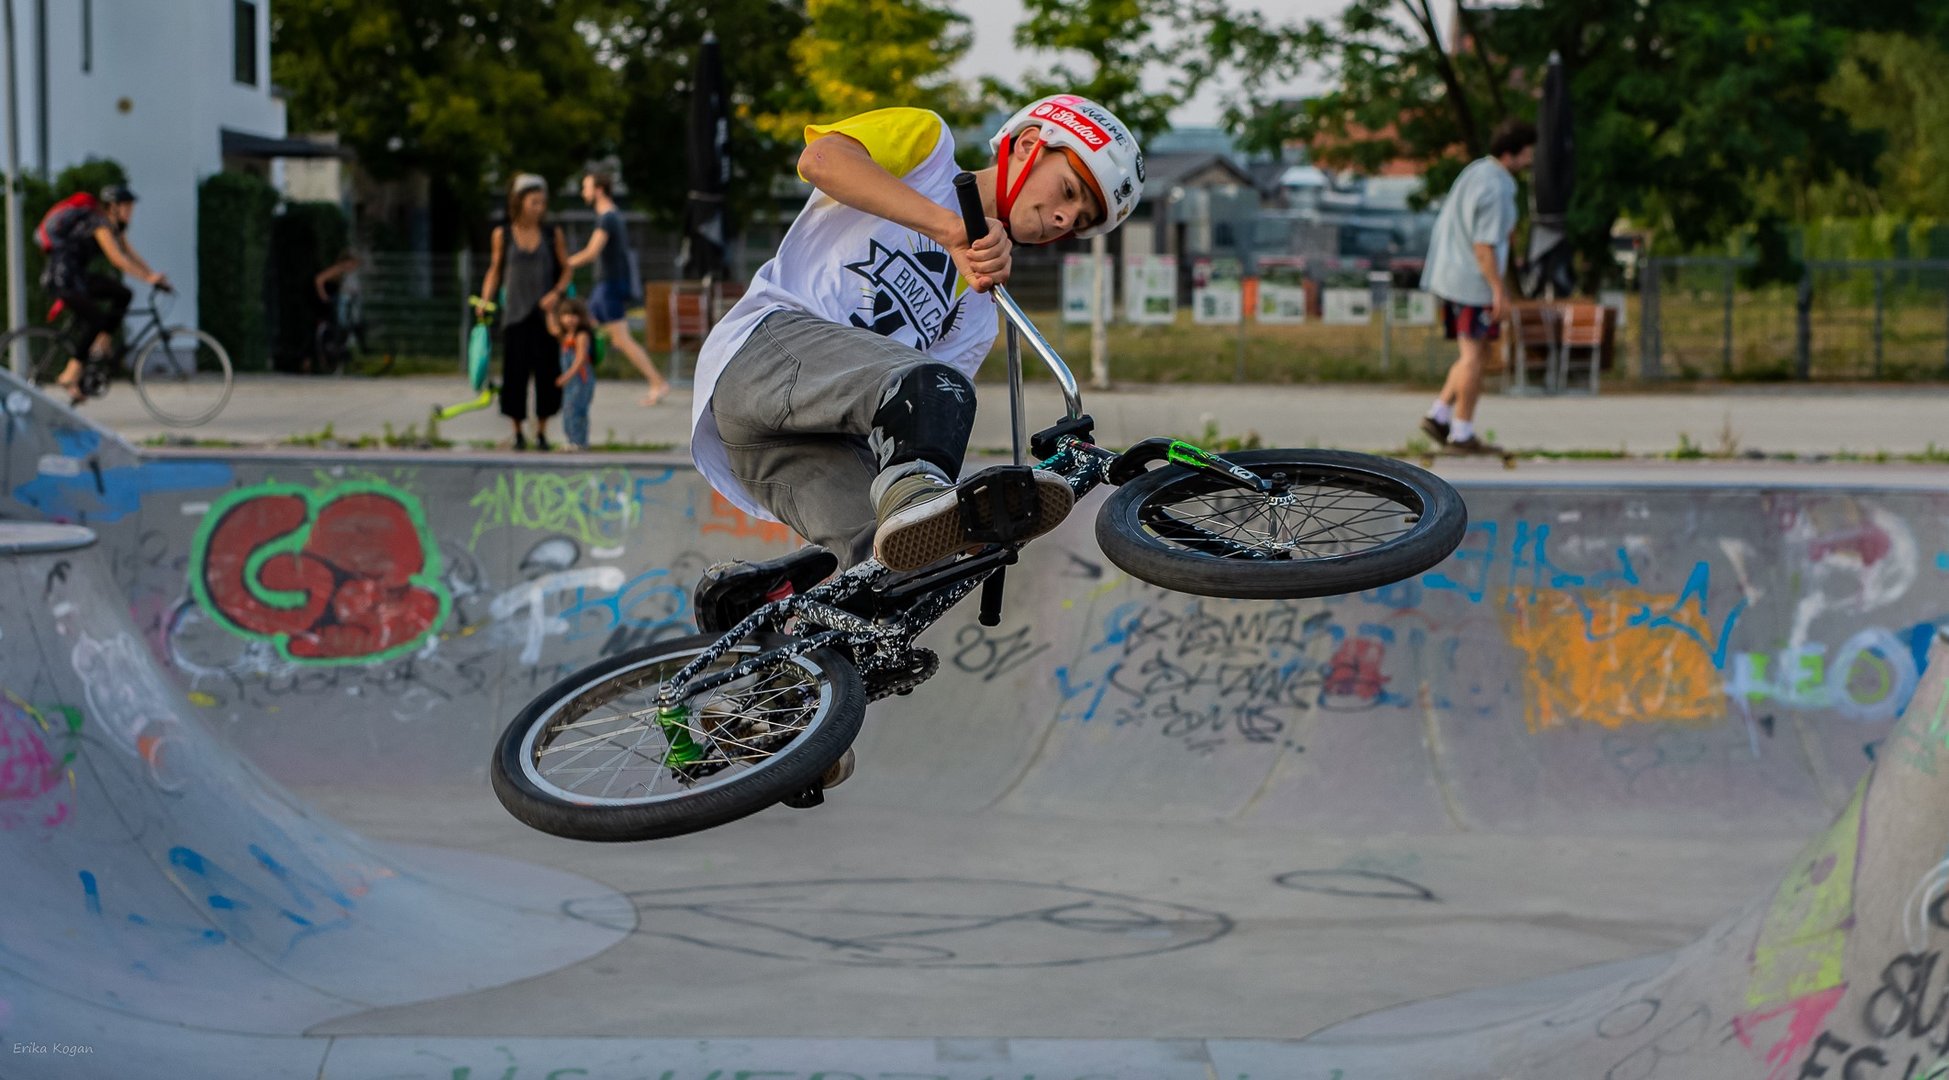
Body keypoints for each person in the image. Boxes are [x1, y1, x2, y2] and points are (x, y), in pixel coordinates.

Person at [688, 94, 1142, 623]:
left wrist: (965, 524)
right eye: (1068, 191)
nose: (1064, 218)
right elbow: (820, 161)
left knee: (894, 584)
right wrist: (952, 230)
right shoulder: (928, 147)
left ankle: (765, 648)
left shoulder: (978, 314)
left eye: (1079, 220)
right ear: (1027, 145)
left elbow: (917, 434)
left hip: (786, 443)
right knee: (933, 384)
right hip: (762, 356)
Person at [1418, 120, 1536, 454]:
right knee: (1474, 356)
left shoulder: (1477, 171)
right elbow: (1484, 247)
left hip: (1452, 274)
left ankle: (1439, 414)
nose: (1531, 159)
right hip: (1472, 281)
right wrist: (1499, 290)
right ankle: (1462, 432)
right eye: (1529, 152)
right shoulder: (1497, 187)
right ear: (1512, 153)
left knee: (1478, 353)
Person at [43, 184, 169, 404]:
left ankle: (101, 343)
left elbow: (130, 254)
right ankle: (70, 372)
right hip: (63, 279)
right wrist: (147, 279)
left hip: (78, 278)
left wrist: (153, 275)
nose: (130, 212)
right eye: (126, 207)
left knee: (123, 294)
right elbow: (117, 259)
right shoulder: (98, 223)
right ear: (113, 207)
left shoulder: (115, 228)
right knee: (96, 320)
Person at [476, 173, 573, 451]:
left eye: (543, 203)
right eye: (534, 202)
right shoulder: (503, 235)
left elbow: (566, 269)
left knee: (546, 374)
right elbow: (495, 271)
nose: (539, 208)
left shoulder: (551, 234)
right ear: (519, 202)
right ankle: (517, 431)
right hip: (515, 314)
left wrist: (555, 293)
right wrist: (486, 300)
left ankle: (541, 432)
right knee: (515, 375)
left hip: (545, 316)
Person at [564, 169, 672, 406]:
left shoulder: (608, 218)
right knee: (586, 327)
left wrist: (564, 263)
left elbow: (592, 253)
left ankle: (657, 382)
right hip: (608, 285)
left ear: (599, 190)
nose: (583, 191)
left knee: (617, 338)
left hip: (609, 286)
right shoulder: (611, 216)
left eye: (586, 187)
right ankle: (573, 377)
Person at [550, 296, 596, 451]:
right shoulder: (565, 336)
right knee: (568, 410)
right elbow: (552, 328)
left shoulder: (581, 335)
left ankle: (578, 442)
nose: (570, 319)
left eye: (574, 315)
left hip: (580, 380)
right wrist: (549, 310)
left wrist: (566, 376)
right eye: (566, 315)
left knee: (577, 410)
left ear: (581, 317)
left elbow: (581, 359)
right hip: (571, 382)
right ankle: (572, 440)